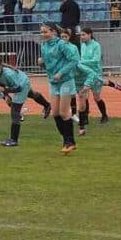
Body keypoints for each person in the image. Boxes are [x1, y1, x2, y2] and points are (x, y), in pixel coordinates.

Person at [39, 23, 79, 154]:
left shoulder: (62, 44)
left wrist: (61, 73)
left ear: (53, 32)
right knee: (55, 113)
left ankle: (70, 142)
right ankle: (67, 140)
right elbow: (49, 65)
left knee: (63, 112)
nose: (43, 34)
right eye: (41, 32)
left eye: (45, 32)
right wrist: (42, 64)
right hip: (53, 82)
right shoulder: (44, 46)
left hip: (66, 80)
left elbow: (74, 60)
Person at [0, 56, 31, 146]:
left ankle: (14, 140)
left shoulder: (8, 74)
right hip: (17, 85)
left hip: (22, 83)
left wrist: (4, 90)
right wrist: (6, 96)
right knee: (32, 94)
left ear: (0, 65)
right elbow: (0, 82)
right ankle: (47, 105)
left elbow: (18, 88)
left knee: (15, 112)